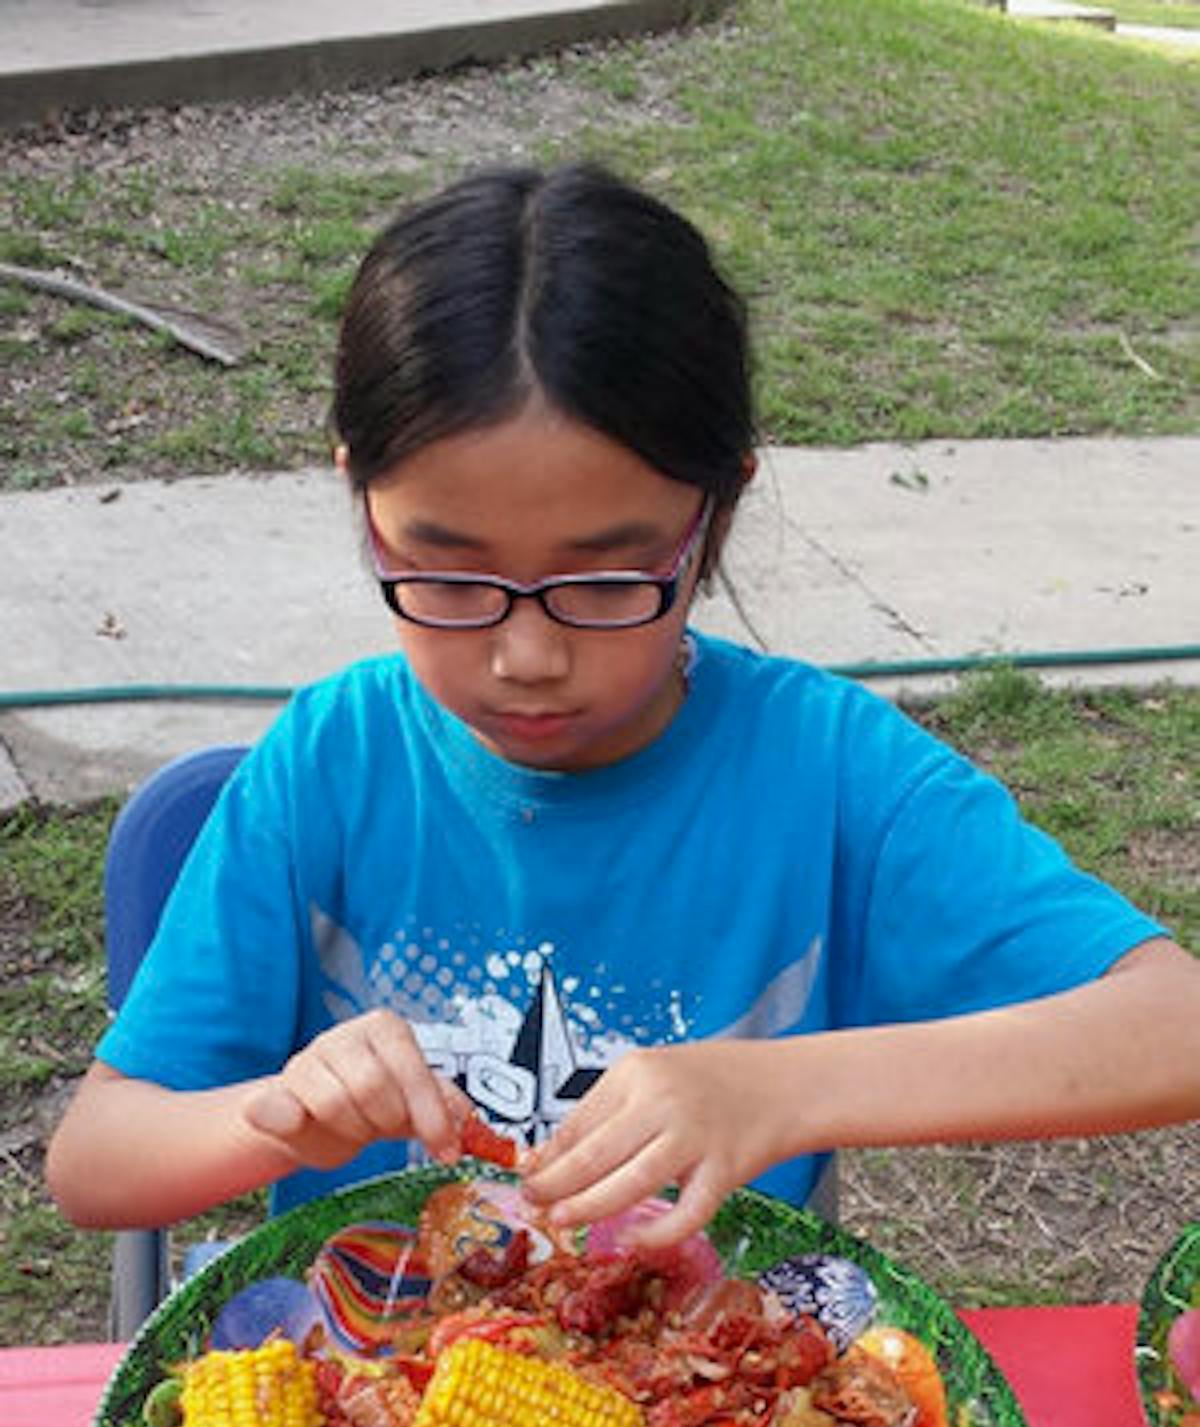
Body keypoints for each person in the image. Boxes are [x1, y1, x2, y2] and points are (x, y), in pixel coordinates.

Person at [47, 162, 1200, 1252]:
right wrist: (271, 1113)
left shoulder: (828, 776)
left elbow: (1172, 1021)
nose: (528, 654)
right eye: (449, 576)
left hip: (716, 1401)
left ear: (715, 515)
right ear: (364, 501)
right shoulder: (330, 766)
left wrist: (782, 1088)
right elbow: (96, 1161)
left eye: (606, 580)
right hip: (377, 1391)